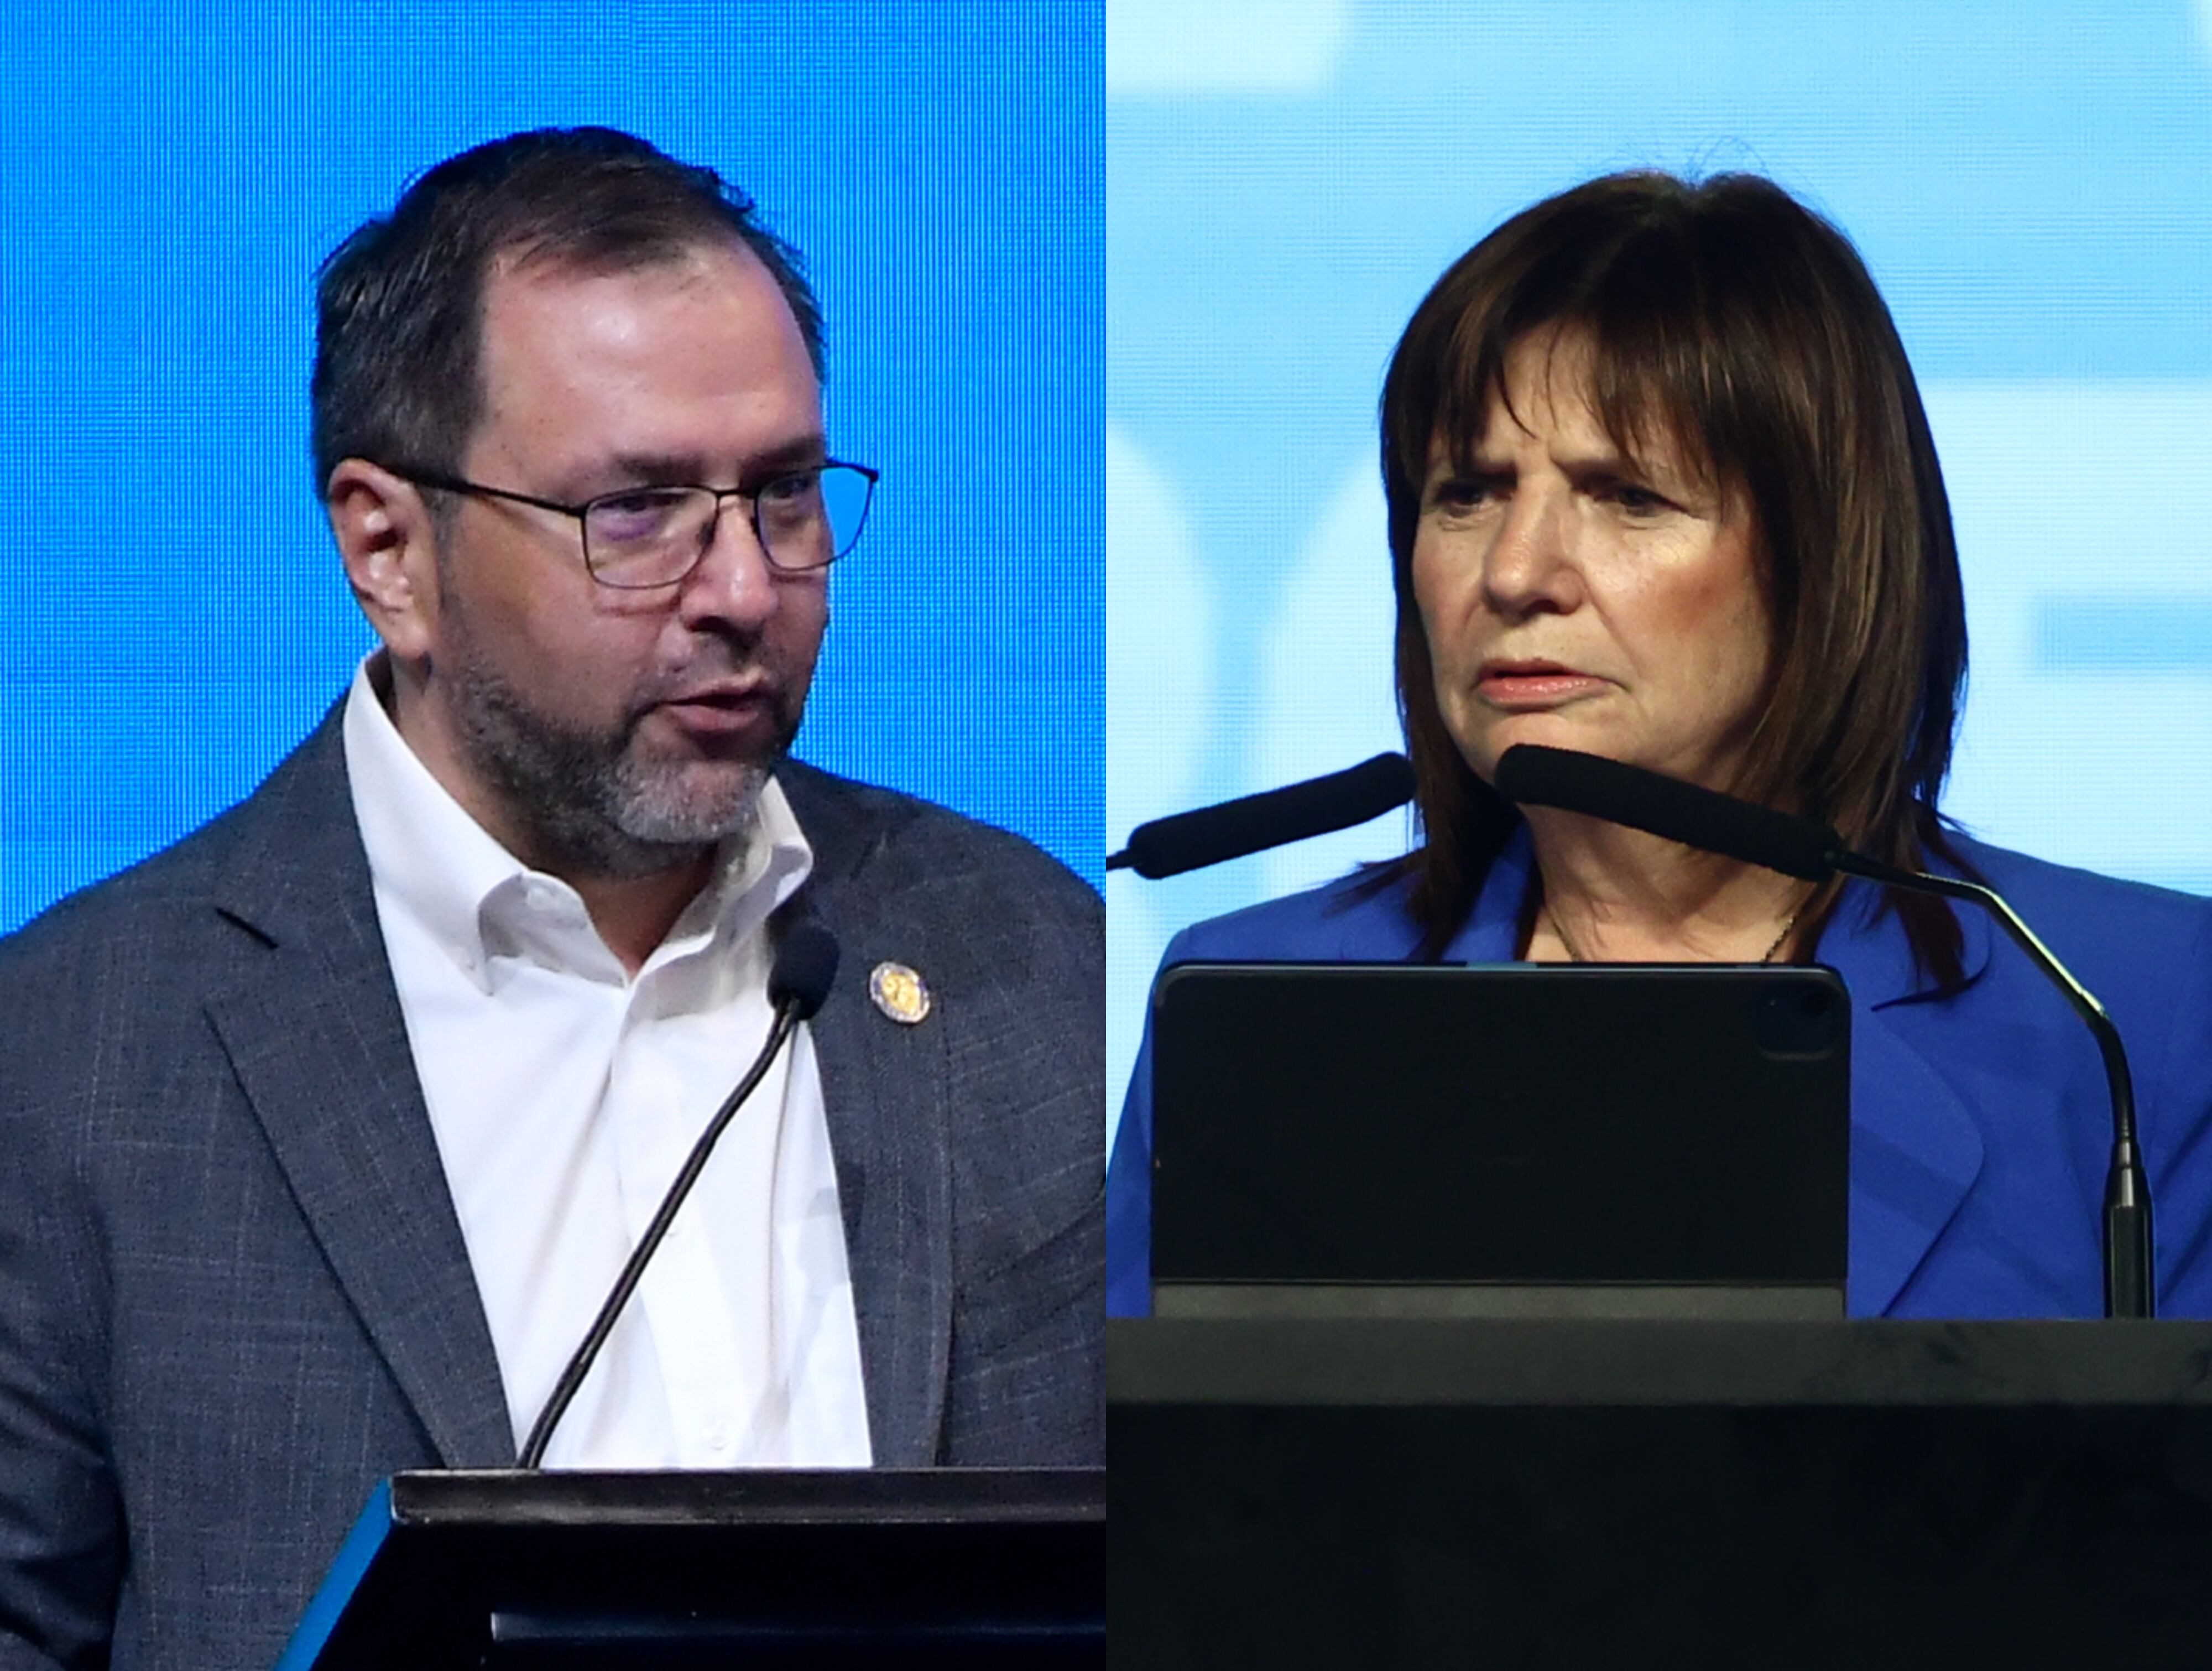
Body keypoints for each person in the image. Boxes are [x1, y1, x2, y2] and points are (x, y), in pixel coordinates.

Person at [0, 128, 1102, 1671]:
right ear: (390, 550)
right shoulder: (73, 1056)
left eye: (783, 494)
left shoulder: (1035, 963)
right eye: (637, 512)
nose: (742, 589)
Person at [1105, 170, 2212, 1320]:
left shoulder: (2129, 1016)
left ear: (1823, 559)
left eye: (1626, 496)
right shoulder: (1250, 1017)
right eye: (1467, 492)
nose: (1515, 572)